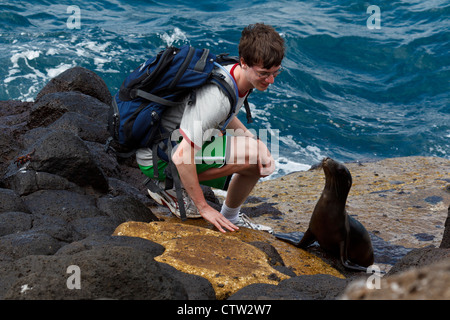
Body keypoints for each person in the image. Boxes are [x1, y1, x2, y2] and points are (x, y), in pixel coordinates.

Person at [136, 23, 285, 233]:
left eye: (276, 72)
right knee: (252, 156)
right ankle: (167, 186)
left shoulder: (236, 75)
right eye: (264, 73)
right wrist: (204, 208)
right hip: (159, 159)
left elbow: (227, 116)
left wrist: (256, 143)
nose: (270, 80)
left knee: (257, 153)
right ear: (243, 62)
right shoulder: (217, 98)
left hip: (169, 146)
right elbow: (181, 157)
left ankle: (230, 217)